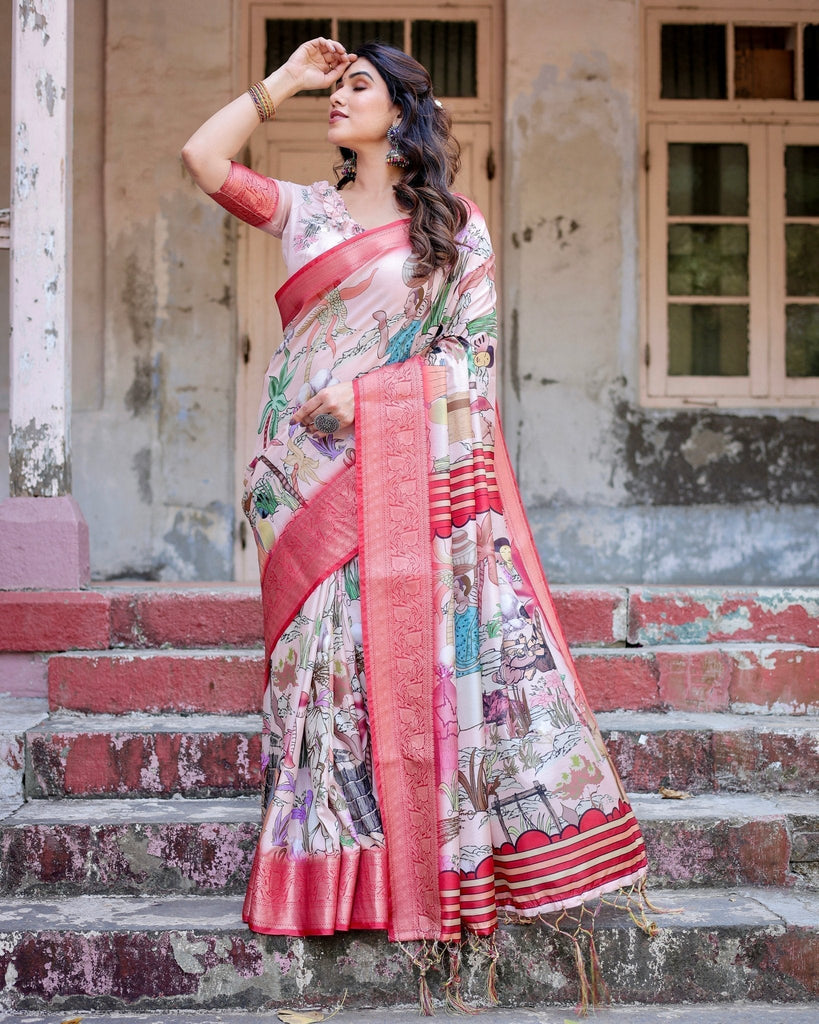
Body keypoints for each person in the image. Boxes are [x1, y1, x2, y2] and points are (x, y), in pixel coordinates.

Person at [182, 37, 649, 1011]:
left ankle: (406, 856)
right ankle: (323, 869)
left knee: (397, 657)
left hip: (397, 458)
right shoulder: (305, 211)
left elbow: (470, 361)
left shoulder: (454, 228)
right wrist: (284, 80)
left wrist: (371, 400)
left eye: (357, 86)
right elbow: (202, 158)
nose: (337, 98)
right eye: (336, 86)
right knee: (318, 667)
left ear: (401, 114)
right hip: (297, 471)